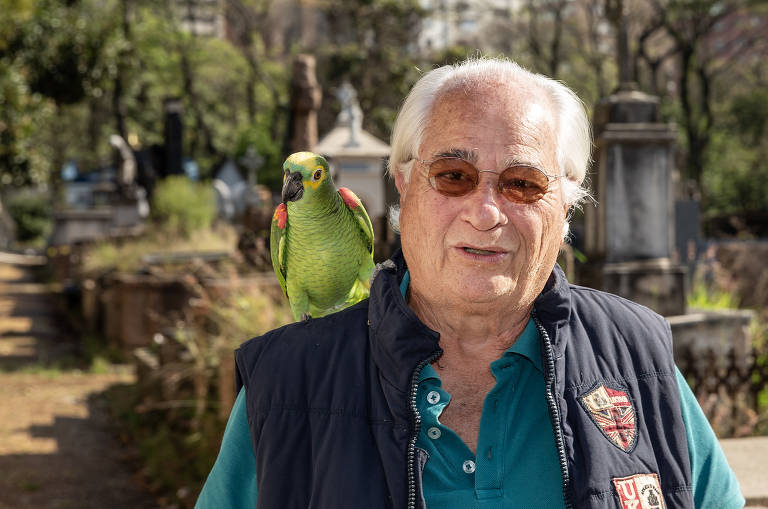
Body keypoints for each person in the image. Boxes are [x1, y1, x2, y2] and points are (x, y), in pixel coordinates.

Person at [197, 57, 744, 509]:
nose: (485, 212)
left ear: (567, 202)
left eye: (523, 183)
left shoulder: (639, 359)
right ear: (405, 184)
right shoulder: (285, 384)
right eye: (453, 176)